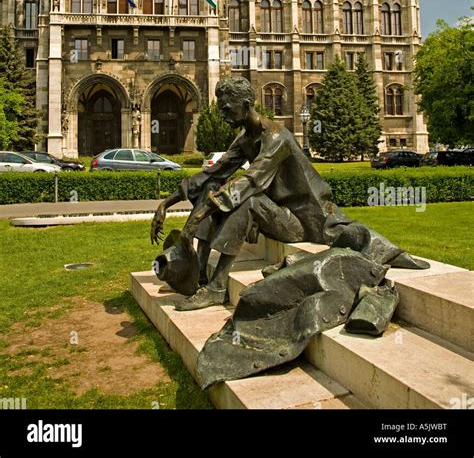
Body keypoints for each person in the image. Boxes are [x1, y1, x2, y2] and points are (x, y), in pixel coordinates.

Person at [150, 76, 428, 311]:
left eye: (226, 108)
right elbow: (213, 173)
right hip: (279, 214)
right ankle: (198, 270)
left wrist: (197, 218)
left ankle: (217, 286)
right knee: (213, 187)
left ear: (245, 105)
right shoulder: (246, 137)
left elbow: (250, 181)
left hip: (304, 222)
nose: (221, 113)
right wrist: (168, 202)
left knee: (248, 200)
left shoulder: (276, 137)